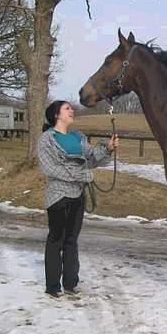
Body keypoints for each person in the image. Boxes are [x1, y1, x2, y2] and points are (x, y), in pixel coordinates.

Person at [37, 100, 119, 298]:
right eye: (67, 108)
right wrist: (81, 175)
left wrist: (107, 148)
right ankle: (53, 286)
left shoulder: (77, 137)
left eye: (71, 108)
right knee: (56, 239)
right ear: (56, 115)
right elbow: (50, 168)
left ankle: (71, 283)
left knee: (72, 240)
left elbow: (92, 158)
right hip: (58, 196)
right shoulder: (47, 139)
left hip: (78, 195)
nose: (72, 110)